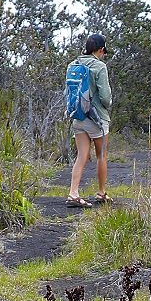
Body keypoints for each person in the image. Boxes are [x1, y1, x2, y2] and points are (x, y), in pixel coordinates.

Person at [66, 33, 112, 208]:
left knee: (81, 155)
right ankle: (101, 193)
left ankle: (73, 193)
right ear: (100, 50)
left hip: (78, 116)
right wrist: (108, 105)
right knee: (101, 155)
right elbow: (105, 97)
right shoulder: (99, 67)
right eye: (103, 52)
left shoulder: (73, 64)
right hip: (97, 118)